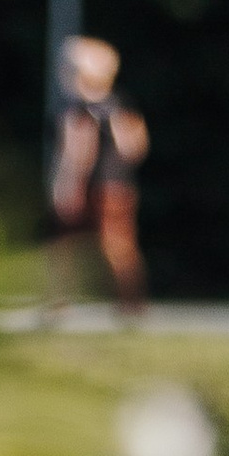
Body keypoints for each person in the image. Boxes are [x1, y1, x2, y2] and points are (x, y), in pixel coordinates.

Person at [52, 37, 148, 311]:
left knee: (67, 245)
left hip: (88, 184)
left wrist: (66, 184)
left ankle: (59, 302)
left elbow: (77, 152)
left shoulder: (78, 108)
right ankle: (131, 301)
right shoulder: (120, 104)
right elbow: (136, 148)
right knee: (119, 245)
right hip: (119, 184)